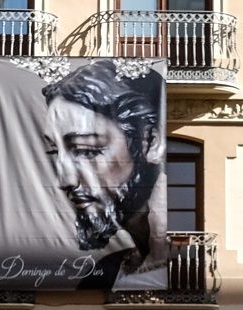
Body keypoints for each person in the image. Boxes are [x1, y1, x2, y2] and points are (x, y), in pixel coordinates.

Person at [41, 59, 168, 290]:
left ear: (151, 141)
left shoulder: (182, 261)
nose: (65, 180)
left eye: (86, 151)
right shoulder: (101, 272)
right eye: (54, 151)